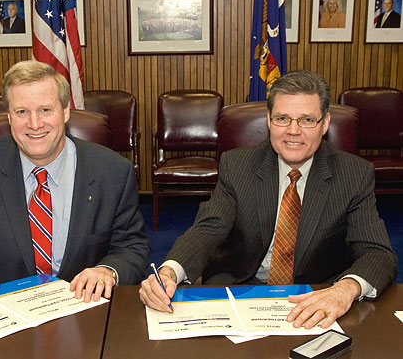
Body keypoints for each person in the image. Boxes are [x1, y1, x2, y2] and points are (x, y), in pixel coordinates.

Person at [139, 70, 397, 330]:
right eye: (283, 119)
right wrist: (169, 271)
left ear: (325, 123)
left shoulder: (354, 174)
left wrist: (344, 289)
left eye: (307, 119)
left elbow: (378, 253)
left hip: (315, 295)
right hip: (240, 288)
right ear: (269, 121)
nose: (293, 131)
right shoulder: (237, 165)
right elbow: (207, 230)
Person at [0, 60, 150, 325]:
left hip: (84, 311)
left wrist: (108, 270)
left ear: (65, 111)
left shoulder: (113, 171)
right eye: (22, 111)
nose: (34, 123)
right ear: (9, 117)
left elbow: (132, 246)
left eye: (45, 109)